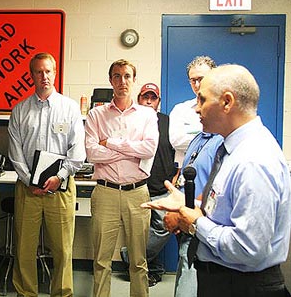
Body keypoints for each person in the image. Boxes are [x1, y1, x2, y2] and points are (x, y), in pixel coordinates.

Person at [143, 64, 291, 297]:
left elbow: (248, 248)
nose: (197, 109)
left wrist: (195, 222)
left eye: (202, 100)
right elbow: (226, 207)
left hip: (243, 286)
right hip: (223, 279)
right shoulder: (230, 149)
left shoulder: (253, 160)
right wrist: (189, 205)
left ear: (227, 102)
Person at [8, 52, 86, 297]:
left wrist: (60, 176)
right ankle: (26, 293)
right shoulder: (20, 110)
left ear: (55, 73)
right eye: (38, 71)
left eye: (48, 71)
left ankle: (62, 293)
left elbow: (77, 151)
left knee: (63, 249)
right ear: (31, 75)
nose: (44, 76)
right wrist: (28, 180)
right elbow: (15, 151)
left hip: (60, 188)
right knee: (24, 248)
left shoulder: (70, 108)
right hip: (27, 189)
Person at [85, 59, 159, 297]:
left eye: (127, 76)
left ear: (134, 81)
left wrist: (112, 144)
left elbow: (148, 150)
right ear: (110, 80)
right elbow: (91, 152)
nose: (122, 81)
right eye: (117, 76)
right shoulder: (96, 115)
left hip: (137, 194)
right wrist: (129, 151)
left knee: (138, 262)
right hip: (105, 193)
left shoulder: (147, 115)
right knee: (101, 261)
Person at [121, 82, 177, 287]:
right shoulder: (132, 121)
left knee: (162, 229)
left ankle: (130, 256)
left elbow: (178, 152)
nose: (148, 101)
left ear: (158, 102)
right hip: (139, 185)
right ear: (139, 99)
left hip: (163, 187)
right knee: (141, 232)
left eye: (153, 98)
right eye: (145, 97)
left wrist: (176, 175)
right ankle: (151, 271)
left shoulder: (169, 122)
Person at [167, 126, 223, 297]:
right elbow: (186, 174)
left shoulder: (222, 143)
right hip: (186, 221)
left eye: (202, 100)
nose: (197, 108)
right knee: (184, 270)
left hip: (202, 225)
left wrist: (181, 214)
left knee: (189, 282)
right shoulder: (198, 139)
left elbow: (214, 188)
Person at [169, 56, 216, 166]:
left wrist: (196, 136)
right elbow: (177, 141)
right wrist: (212, 139)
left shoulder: (225, 108)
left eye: (201, 79)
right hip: (188, 171)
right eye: (193, 80)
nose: (197, 85)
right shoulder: (180, 110)